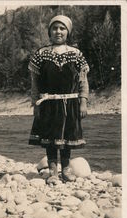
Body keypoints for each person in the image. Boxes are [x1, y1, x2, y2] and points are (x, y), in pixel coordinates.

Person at [28, 15, 89, 184]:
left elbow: (83, 81)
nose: (58, 31)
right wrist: (35, 104)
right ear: (49, 32)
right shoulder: (41, 54)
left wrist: (83, 101)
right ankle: (53, 170)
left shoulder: (76, 54)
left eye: (62, 28)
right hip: (48, 104)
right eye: (54, 28)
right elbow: (35, 84)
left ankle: (66, 169)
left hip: (70, 103)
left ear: (68, 32)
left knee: (68, 137)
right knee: (50, 138)